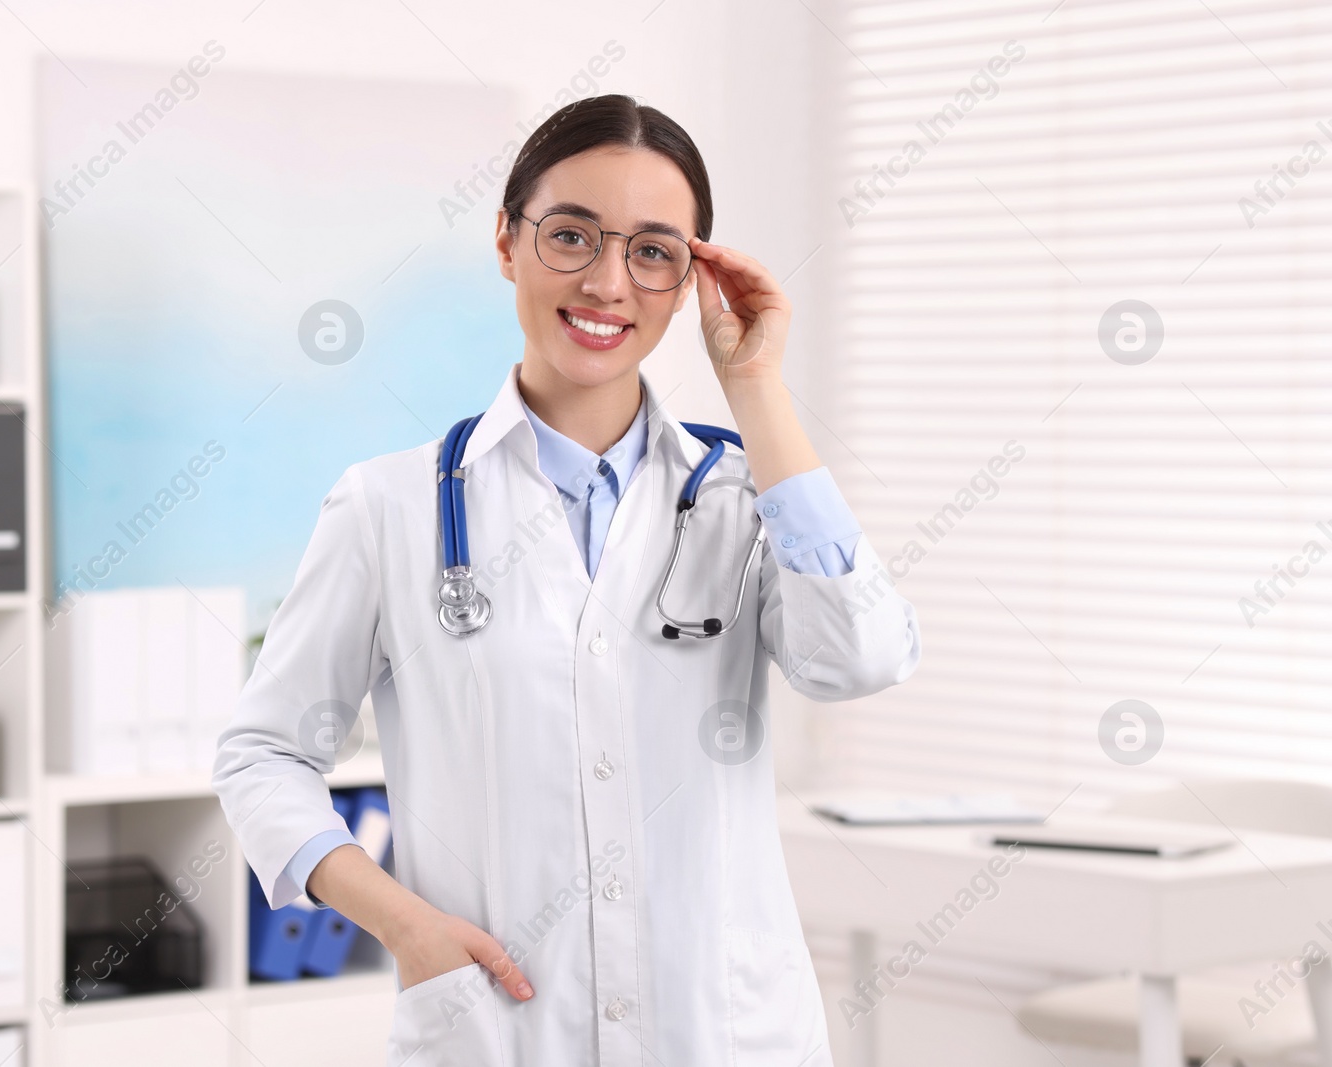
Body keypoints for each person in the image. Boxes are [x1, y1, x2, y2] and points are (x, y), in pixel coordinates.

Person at [213, 93, 921, 1067]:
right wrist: (405, 923)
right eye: (572, 235)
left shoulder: (747, 499)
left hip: (725, 1032)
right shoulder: (389, 507)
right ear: (507, 241)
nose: (607, 281)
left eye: (652, 251)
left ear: (690, 278)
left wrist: (755, 388)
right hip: (503, 1027)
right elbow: (262, 754)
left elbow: (862, 657)